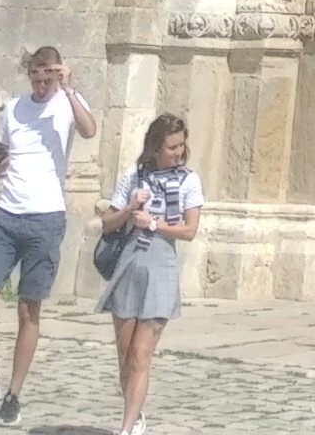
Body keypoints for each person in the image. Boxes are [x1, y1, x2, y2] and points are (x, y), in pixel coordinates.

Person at [0, 43, 97, 425]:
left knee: (27, 309)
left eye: (48, 77)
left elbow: (89, 130)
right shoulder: (14, 108)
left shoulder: (67, 104)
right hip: (7, 214)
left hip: (45, 218)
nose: (41, 84)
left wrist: (69, 89)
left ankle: (14, 394)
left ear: (58, 73)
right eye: (36, 77)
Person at [96, 111, 205, 435]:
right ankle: (135, 412)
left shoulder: (189, 181)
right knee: (126, 355)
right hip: (130, 266)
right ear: (156, 147)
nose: (178, 152)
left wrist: (154, 224)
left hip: (161, 269)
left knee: (141, 355)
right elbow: (107, 223)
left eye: (181, 145)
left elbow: (190, 230)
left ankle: (127, 428)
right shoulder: (134, 176)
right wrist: (130, 208)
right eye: (172, 147)